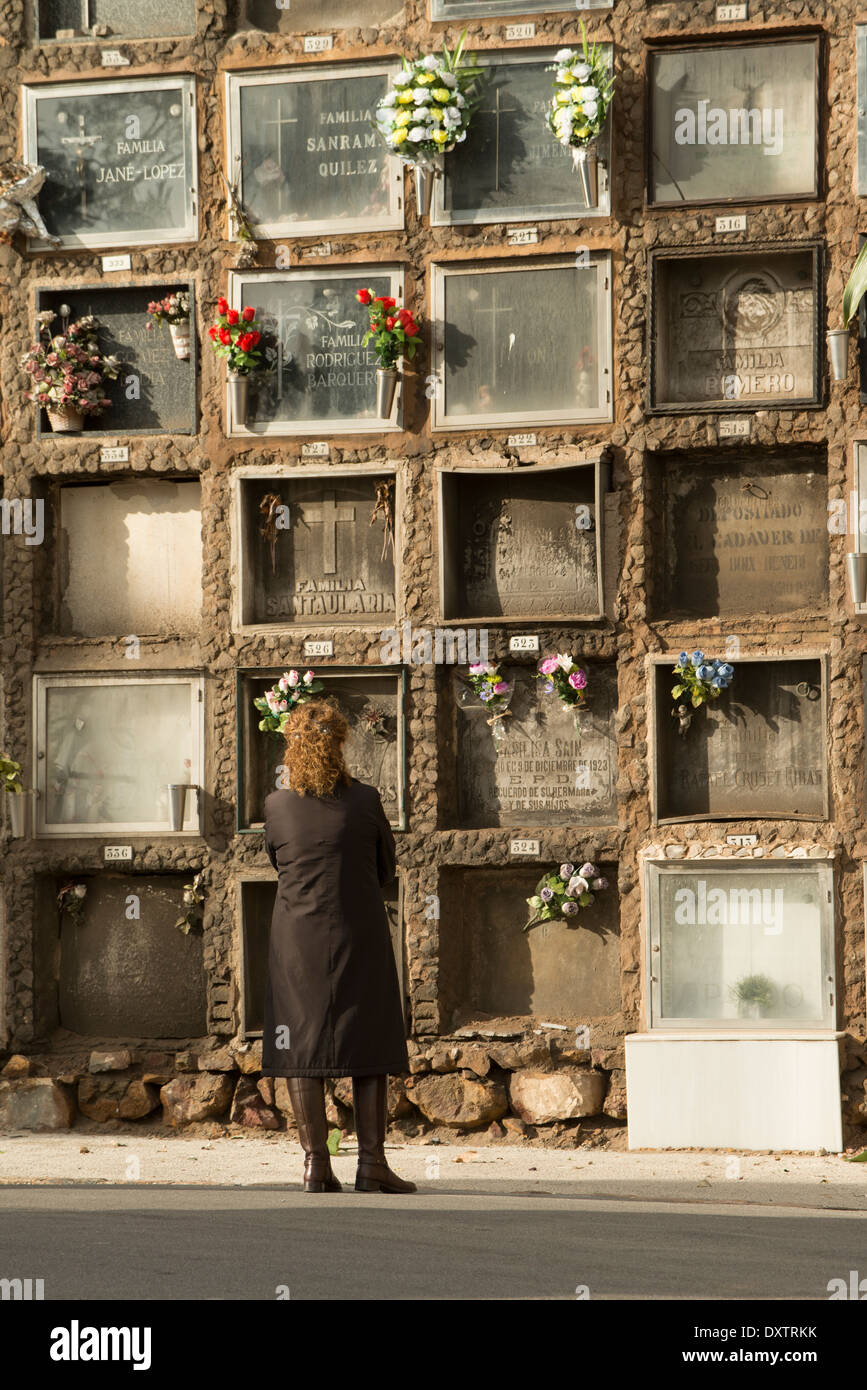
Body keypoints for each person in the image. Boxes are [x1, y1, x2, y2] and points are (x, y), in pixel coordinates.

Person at [261, 697, 416, 1195]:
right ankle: (371, 1164)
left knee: (301, 1046)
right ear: (342, 743)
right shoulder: (366, 800)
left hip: (296, 940)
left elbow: (279, 865)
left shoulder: (276, 805)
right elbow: (386, 869)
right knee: (367, 1041)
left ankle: (315, 1166)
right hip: (359, 933)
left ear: (293, 745)